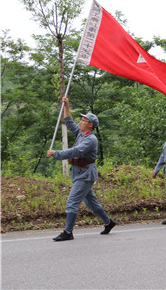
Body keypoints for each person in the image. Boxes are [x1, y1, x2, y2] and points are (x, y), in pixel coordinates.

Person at [47, 96, 116, 241]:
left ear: (90, 125)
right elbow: (69, 122)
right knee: (91, 202)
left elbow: (76, 152)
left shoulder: (90, 139)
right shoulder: (80, 133)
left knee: (71, 202)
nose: (81, 122)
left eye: (84, 120)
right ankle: (109, 222)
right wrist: (67, 105)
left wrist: (56, 154)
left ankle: (68, 232)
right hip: (80, 173)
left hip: (85, 174)